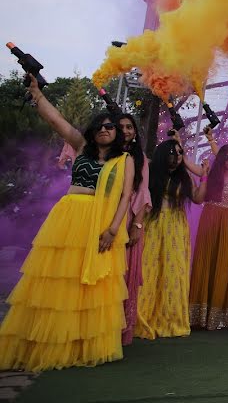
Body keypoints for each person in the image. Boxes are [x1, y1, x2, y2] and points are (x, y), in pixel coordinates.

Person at [0, 76, 134, 371]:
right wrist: (36, 94)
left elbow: (125, 197)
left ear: (118, 133)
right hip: (69, 217)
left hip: (100, 223)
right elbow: (56, 119)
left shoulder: (125, 160)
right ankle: (47, 340)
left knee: (89, 284)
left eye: (109, 126)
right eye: (99, 126)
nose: (104, 129)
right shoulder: (82, 145)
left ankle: (79, 343)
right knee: (61, 279)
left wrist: (112, 229)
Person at [136, 139, 196, 339]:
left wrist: (203, 175)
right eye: (173, 152)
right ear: (163, 153)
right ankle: (140, 317)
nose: (177, 156)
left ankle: (170, 320)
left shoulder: (184, 177)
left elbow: (198, 198)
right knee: (148, 268)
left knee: (173, 271)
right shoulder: (150, 172)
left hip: (176, 226)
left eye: (180, 153)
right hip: (152, 222)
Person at [189, 143, 228, 330]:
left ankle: (216, 317)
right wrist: (179, 147)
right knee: (204, 261)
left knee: (223, 265)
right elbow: (193, 168)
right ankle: (197, 315)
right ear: (221, 158)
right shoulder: (212, 174)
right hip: (210, 219)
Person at [118, 113, 151, 345]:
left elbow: (143, 193)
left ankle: (119, 329)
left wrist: (137, 225)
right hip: (104, 214)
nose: (126, 131)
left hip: (129, 217)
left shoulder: (141, 159)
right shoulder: (104, 155)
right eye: (121, 127)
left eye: (130, 127)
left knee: (124, 272)